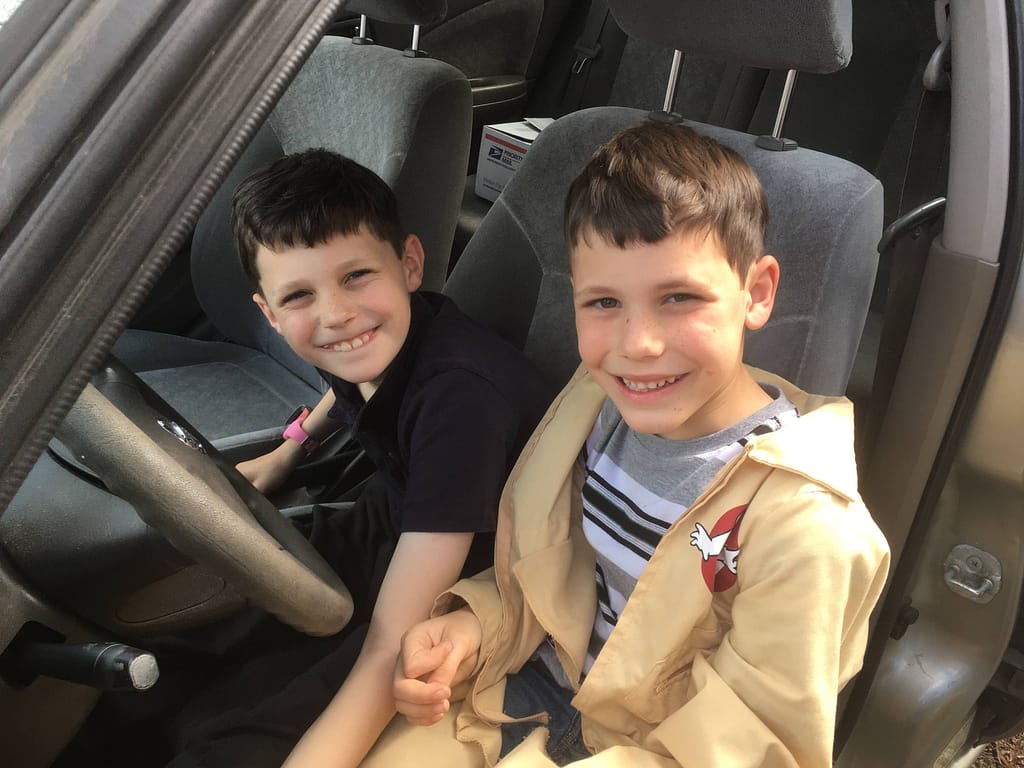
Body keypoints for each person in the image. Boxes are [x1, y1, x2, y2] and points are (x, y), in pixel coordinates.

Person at [363, 122, 891, 767]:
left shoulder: (807, 527)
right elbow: (558, 578)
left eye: (679, 297)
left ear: (756, 293)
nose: (637, 344)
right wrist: (473, 626)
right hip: (519, 693)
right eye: (604, 302)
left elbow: (754, 742)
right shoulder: (594, 407)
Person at [169, 149, 551, 768]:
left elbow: (393, 643)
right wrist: (288, 452)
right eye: (299, 295)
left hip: (477, 568)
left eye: (355, 277)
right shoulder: (377, 336)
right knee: (234, 625)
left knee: (261, 729)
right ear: (267, 312)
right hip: (397, 504)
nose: (336, 315)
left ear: (409, 264)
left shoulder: (461, 400)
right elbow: (345, 383)